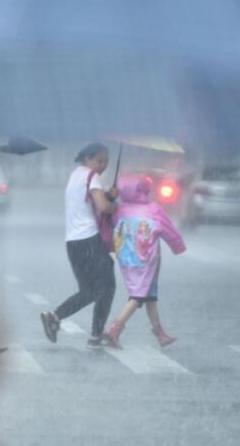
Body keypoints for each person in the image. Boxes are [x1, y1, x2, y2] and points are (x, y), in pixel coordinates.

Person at [40, 142, 119, 348]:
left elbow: (88, 201)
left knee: (89, 291)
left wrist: (108, 195)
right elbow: (102, 206)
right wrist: (114, 204)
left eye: (106, 162)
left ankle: (54, 317)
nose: (103, 165)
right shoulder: (93, 177)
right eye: (99, 160)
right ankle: (96, 334)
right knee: (107, 286)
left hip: (73, 243)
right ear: (87, 159)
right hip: (89, 239)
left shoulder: (76, 175)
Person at [102, 175, 186, 349]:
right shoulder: (153, 209)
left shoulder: (119, 210)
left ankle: (160, 333)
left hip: (126, 259)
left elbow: (111, 229)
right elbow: (168, 229)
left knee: (150, 295)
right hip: (146, 259)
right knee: (138, 296)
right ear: (144, 191)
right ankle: (114, 329)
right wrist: (178, 247)